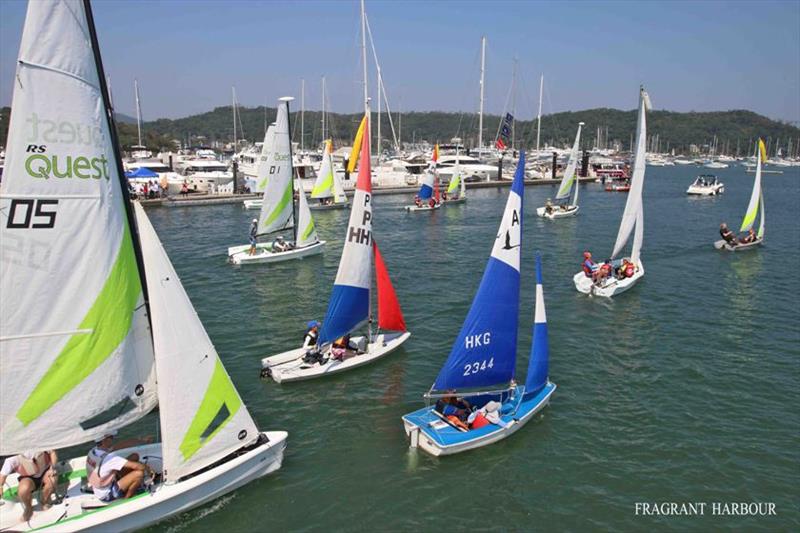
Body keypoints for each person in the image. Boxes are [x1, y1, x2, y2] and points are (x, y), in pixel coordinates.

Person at [86, 432, 155, 503]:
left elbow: (122, 445)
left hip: (101, 485)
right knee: (139, 474)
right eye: (111, 437)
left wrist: (142, 441)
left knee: (134, 456)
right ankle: (126, 500)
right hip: (107, 494)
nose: (113, 440)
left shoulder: (94, 451)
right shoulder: (109, 459)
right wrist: (148, 469)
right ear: (105, 440)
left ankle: (128, 482)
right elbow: (137, 466)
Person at [0, 451, 58, 522]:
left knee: (53, 479)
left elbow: (53, 453)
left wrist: (52, 468)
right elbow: (3, 475)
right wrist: (0, 487)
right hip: (29, 478)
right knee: (23, 490)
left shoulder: (40, 443)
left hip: (46, 472)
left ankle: (45, 501)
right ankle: (28, 508)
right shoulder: (12, 458)